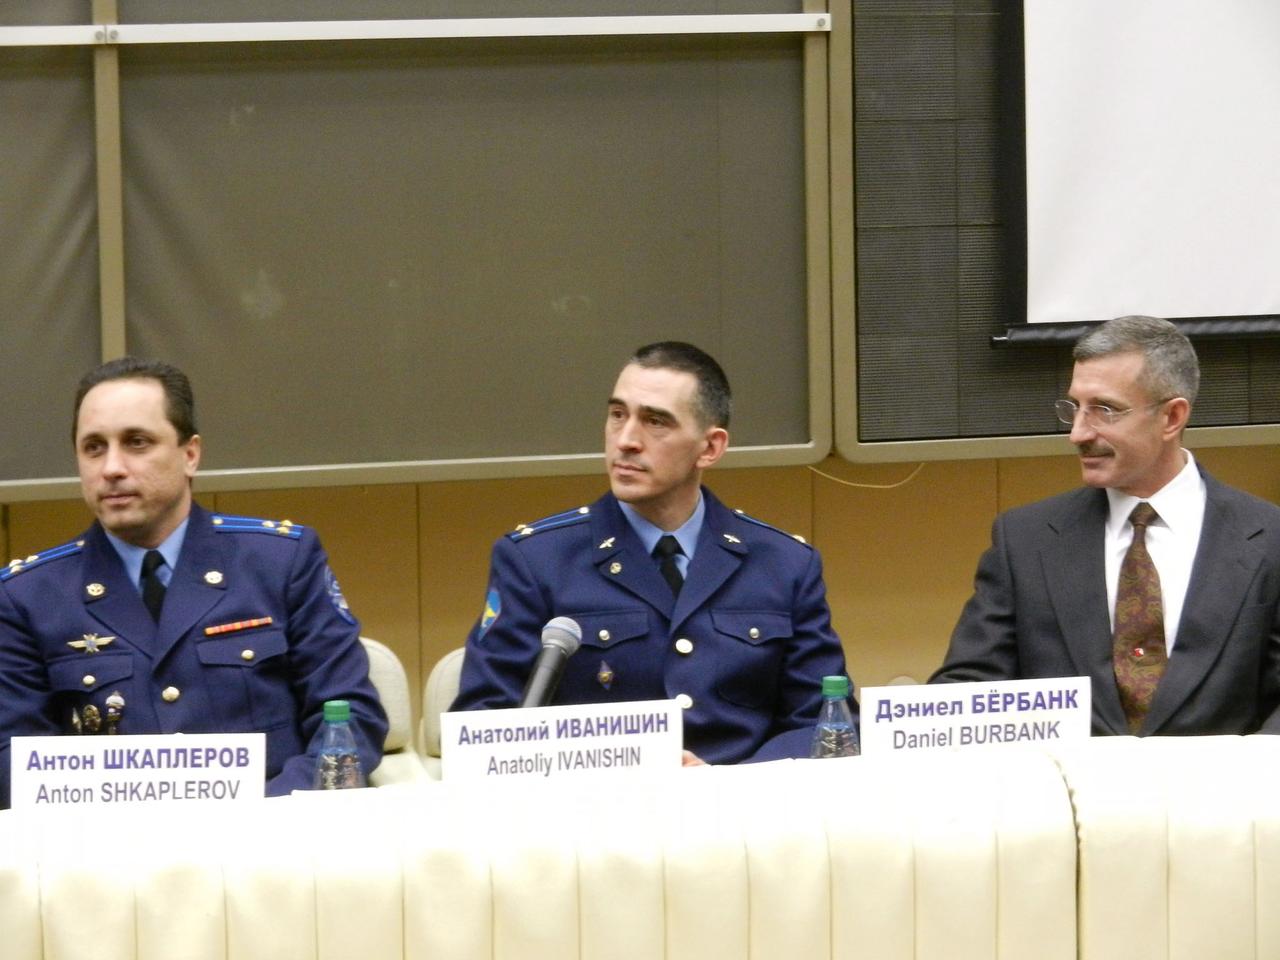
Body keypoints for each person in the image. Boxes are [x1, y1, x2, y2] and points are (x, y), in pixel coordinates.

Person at [0, 357, 387, 807]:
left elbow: (349, 718)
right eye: (93, 448)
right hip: (110, 856)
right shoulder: (27, 595)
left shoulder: (278, 561)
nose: (112, 468)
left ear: (190, 454)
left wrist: (271, 811)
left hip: (273, 844)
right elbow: (11, 756)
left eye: (137, 442)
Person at [452, 341, 851, 764]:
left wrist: (729, 784)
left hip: (742, 815)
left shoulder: (785, 565)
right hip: (599, 816)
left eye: (655, 422)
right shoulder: (537, 561)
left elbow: (826, 723)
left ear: (710, 448)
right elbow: (484, 725)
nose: (625, 441)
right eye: (617, 415)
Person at [932, 315, 1280, 735]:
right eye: (1075, 408)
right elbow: (968, 693)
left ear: (1171, 418)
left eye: (1105, 410)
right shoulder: (1025, 541)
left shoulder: (1268, 539)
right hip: (1068, 795)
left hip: (1222, 797)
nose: (1078, 432)